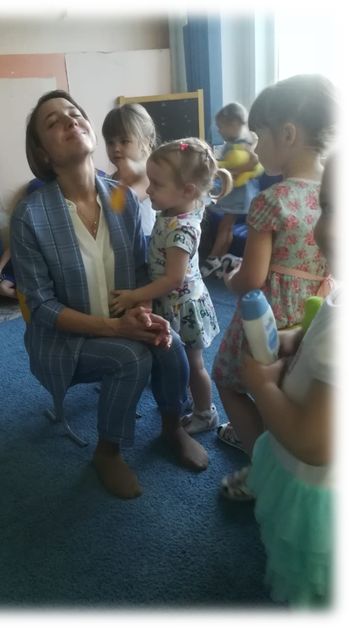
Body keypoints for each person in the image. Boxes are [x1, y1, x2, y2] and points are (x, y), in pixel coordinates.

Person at [10, 90, 209, 501]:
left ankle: (172, 428)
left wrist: (143, 312)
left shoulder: (121, 199)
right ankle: (107, 452)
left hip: (122, 321)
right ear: (43, 153)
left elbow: (141, 271)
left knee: (169, 341)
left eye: (75, 113)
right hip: (66, 340)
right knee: (131, 356)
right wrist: (116, 328)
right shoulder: (30, 215)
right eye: (53, 122)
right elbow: (42, 307)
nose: (70, 121)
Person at [211, 74, 345, 491]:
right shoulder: (333, 192)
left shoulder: (270, 201)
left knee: (228, 381)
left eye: (257, 136)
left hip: (269, 318)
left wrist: (230, 278)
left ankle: (261, 465)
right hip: (317, 314)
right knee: (291, 394)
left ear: (287, 134)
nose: (253, 147)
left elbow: (252, 278)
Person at [242, 142, 347, 624]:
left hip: (319, 487)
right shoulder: (343, 291)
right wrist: (296, 338)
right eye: (329, 207)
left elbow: (314, 443)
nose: (333, 229)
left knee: (318, 589)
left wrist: (263, 387)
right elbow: (325, 326)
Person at [110, 138, 233, 434]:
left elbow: (173, 279)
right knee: (178, 362)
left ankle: (205, 413)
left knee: (193, 365)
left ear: (187, 190)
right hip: (173, 302)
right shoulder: (175, 208)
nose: (149, 189)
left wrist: (134, 296)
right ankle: (184, 399)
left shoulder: (181, 230)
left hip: (183, 306)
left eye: (156, 184)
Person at [201, 103, 261, 278]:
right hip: (237, 194)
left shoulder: (242, 144)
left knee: (224, 227)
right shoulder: (237, 143)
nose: (219, 131)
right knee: (227, 228)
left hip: (237, 195)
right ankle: (220, 259)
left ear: (233, 124)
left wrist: (231, 172)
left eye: (221, 127)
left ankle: (213, 258)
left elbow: (253, 162)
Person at [102, 103, 157, 241]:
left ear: (146, 141)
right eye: (110, 142)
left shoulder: (148, 176)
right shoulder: (110, 178)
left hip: (143, 243)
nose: (116, 148)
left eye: (124, 141)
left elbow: (120, 204)